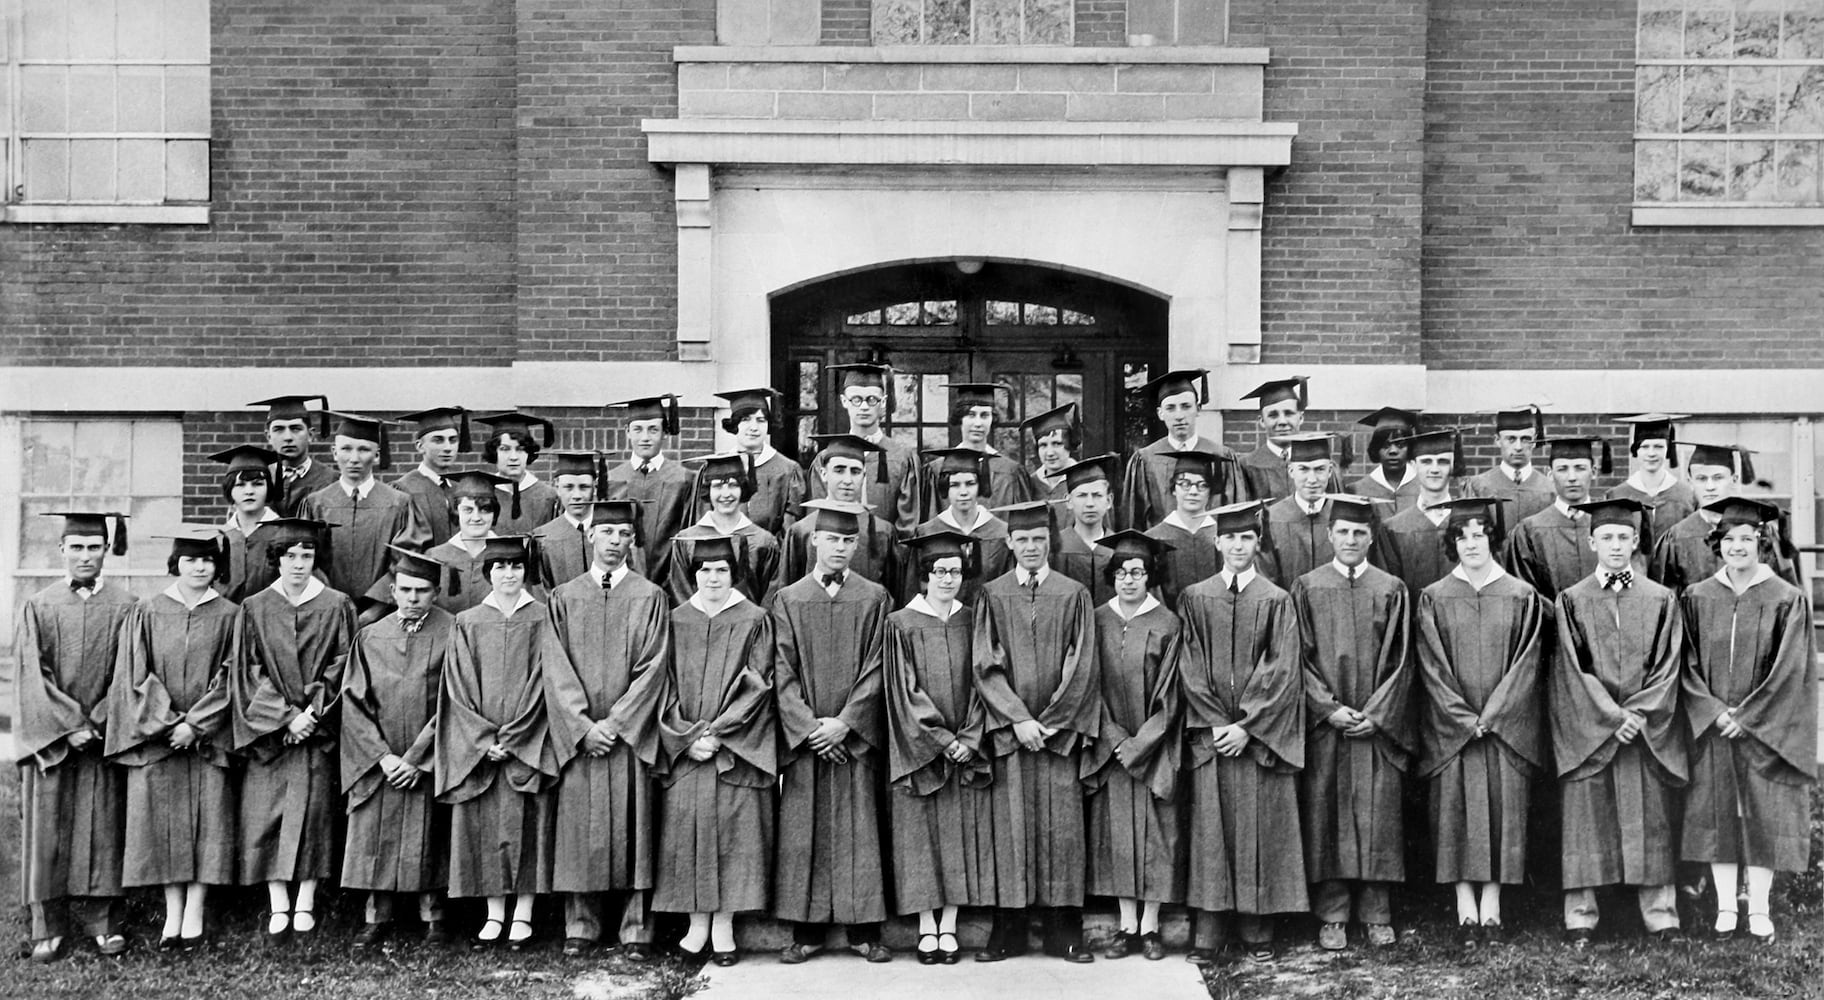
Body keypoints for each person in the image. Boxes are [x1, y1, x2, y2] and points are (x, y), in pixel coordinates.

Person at [1678, 497, 1817, 944]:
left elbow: (1792, 668)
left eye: (1747, 539)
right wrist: (1715, 712)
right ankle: (1723, 907)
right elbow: (1686, 664)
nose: (1738, 547)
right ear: (1717, 544)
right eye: (1729, 539)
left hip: (1764, 730)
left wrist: (1750, 716)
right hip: (1714, 726)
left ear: (1762, 542)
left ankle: (1757, 907)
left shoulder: (1786, 598)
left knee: (1763, 814)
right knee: (1718, 814)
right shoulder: (1698, 597)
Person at [1548, 498, 1685, 947]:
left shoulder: (1660, 599)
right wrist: (1611, 718)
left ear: (1636, 541)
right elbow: (1571, 669)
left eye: (1624, 537)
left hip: (1646, 731)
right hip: (1591, 729)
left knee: (1651, 817)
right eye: (1606, 537)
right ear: (1592, 542)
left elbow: (1668, 667)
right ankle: (1581, 916)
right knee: (1586, 816)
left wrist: (1638, 715)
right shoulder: (1571, 600)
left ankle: (1661, 914)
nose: (1615, 545)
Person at [1176, 500, 1307, 965]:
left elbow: (1283, 670)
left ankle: (1256, 929)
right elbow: (1188, 667)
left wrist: (1247, 727)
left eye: (1246, 537)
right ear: (1217, 542)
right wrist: (1216, 724)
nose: (1237, 544)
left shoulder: (1276, 599)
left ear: (1258, 543)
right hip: (1212, 738)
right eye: (1230, 537)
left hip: (1256, 740)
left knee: (1260, 831)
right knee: (1211, 831)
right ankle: (1208, 932)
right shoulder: (1195, 597)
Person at [972, 501, 1101, 964]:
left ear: (1051, 543)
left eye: (1039, 540)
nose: (1030, 547)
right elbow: (985, 664)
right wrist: (1018, 719)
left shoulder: (1074, 593)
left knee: (1063, 832)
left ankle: (1065, 933)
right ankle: (1007, 932)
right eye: (1022, 539)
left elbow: (1082, 663)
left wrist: (1052, 720)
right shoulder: (992, 593)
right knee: (1011, 831)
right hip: (1012, 734)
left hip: (1059, 734)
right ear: (1009, 542)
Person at [543, 499, 671, 960]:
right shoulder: (563, 597)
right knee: (580, 826)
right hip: (582, 739)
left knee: (635, 824)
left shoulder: (650, 596)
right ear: (591, 536)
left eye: (623, 535)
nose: (615, 543)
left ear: (633, 540)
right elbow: (555, 668)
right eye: (607, 534)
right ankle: (581, 923)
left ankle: (636, 926)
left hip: (627, 736)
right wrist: (581, 727)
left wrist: (616, 723)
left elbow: (653, 667)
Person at [1414, 498, 1546, 942]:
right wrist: (1462, 717)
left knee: (1501, 811)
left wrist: (1493, 715)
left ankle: (1492, 902)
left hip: (1504, 729)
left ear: (1493, 537)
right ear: (1452, 543)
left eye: (1479, 533)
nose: (1472, 542)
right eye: (1461, 535)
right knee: (1454, 813)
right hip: (1454, 731)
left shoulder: (1521, 595)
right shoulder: (1433, 597)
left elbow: (1526, 664)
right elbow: (1431, 666)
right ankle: (1463, 904)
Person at [770, 500, 896, 964]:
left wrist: (846, 723)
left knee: (860, 830)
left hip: (853, 741)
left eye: (848, 540)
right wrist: (808, 729)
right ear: (813, 541)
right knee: (805, 833)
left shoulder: (876, 597)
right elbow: (780, 671)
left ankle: (865, 931)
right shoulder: (789, 598)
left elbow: (880, 667)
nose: (840, 547)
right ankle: (807, 932)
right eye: (832, 539)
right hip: (807, 744)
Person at [1293, 496, 1415, 952]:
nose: (1350, 539)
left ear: (1371, 537)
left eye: (1359, 533)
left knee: (1378, 815)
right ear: (1329, 536)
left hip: (1375, 727)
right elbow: (1297, 658)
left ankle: (1377, 912)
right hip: (1329, 726)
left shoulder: (1392, 588)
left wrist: (1379, 714)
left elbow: (1404, 661)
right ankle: (1333, 914)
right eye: (1342, 531)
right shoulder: (1306, 587)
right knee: (1328, 814)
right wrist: (1327, 708)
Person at [106, 527, 237, 950]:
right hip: (158, 740)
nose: (199, 567)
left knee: (207, 824)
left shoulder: (232, 615)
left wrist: (195, 724)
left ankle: (195, 912)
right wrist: (167, 723)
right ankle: (171, 913)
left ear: (217, 567)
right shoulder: (146, 611)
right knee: (162, 825)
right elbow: (134, 674)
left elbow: (234, 676)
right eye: (190, 560)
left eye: (207, 561)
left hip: (207, 740)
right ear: (175, 564)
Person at [229, 517, 358, 942]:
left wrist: (311, 713)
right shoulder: (254, 607)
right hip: (271, 734)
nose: (299, 564)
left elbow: (344, 666)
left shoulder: (337, 605)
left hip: (316, 732)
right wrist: (285, 716)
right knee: (267, 816)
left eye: (306, 555)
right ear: (275, 560)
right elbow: (247, 671)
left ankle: (305, 901)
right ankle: (277, 904)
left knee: (314, 818)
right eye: (290, 556)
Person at [16, 512, 136, 962]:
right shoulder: (39, 604)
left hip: (104, 737)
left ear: (107, 550)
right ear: (61, 550)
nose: (86, 556)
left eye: (94, 547)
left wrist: (102, 720)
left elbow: (131, 672)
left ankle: (105, 922)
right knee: (48, 831)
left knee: (103, 825)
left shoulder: (128, 605)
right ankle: (46, 924)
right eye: (77, 547)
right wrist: (72, 724)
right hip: (53, 739)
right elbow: (32, 677)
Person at [653, 535, 778, 968]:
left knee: (733, 834)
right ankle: (695, 926)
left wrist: (720, 733)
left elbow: (759, 681)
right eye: (704, 570)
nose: (712, 577)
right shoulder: (674, 620)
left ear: (734, 574)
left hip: (734, 749)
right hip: (687, 748)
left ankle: (723, 925)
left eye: (721, 570)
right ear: (694, 575)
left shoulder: (755, 619)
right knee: (686, 834)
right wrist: (687, 737)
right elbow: (660, 684)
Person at [436, 535, 562, 950]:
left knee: (528, 824)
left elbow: (548, 681)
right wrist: (484, 738)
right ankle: (493, 913)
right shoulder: (468, 621)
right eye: (500, 567)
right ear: (488, 573)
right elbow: (458, 686)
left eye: (516, 567)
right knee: (487, 827)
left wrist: (515, 737)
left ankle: (523, 914)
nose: (509, 574)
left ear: (527, 572)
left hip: (529, 741)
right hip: (483, 746)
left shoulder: (544, 617)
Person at [883, 530, 993, 966]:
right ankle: (926, 926)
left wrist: (970, 737)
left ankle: (949, 925)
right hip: (921, 750)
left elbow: (987, 683)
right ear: (924, 577)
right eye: (939, 571)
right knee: (920, 836)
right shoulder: (900, 624)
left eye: (955, 571)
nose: (948, 578)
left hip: (967, 747)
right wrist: (943, 739)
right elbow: (903, 692)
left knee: (958, 836)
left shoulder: (975, 620)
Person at [341, 546, 459, 950]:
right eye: (405, 589)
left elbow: (455, 700)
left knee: (430, 832)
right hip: (382, 758)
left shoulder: (454, 632)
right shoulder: (372, 635)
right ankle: (377, 917)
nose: (412, 598)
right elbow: (354, 702)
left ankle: (434, 917)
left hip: (428, 755)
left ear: (436, 592)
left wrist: (417, 758)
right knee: (378, 831)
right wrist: (383, 756)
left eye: (422, 590)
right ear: (392, 590)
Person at [1083, 531, 1185, 961]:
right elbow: (1087, 685)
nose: (1129, 580)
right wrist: (1113, 738)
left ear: (1150, 575)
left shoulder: (1167, 623)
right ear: (1111, 576)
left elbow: (1172, 694)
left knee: (1156, 837)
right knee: (1117, 838)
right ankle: (1127, 925)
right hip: (1111, 749)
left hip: (1152, 749)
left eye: (1138, 572)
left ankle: (1151, 926)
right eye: (1121, 572)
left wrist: (1140, 743)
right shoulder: (1095, 619)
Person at [296, 412, 430, 618]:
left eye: (364, 450)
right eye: (346, 449)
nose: (354, 459)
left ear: (376, 455)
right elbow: (306, 561)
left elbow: (406, 562)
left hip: (384, 615)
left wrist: (374, 611)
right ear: (334, 452)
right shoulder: (316, 503)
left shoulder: (400, 503)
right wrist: (332, 605)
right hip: (325, 614)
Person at [1649, 443, 1803, 591]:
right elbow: (1665, 603)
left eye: (1718, 478)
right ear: (1690, 482)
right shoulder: (1676, 537)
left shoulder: (1763, 531)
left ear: (1734, 480)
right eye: (1701, 479)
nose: (1710, 487)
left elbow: (1788, 596)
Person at [774, 434, 901, 599]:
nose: (847, 480)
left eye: (855, 472)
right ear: (824, 474)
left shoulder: (883, 532)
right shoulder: (801, 531)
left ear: (864, 476)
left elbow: (894, 596)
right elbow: (786, 596)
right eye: (839, 470)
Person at [1507, 436, 1623, 604]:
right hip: (1550, 627)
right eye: (1562, 469)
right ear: (1550, 474)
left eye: (1580, 468)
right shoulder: (1530, 530)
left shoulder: (1613, 526)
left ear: (1594, 472)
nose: (1572, 477)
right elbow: (1526, 594)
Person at [1119, 368, 1239, 530]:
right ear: (1160, 413)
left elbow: (1235, 514)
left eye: (1185, 406)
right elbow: (1133, 519)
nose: (1179, 415)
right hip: (1160, 549)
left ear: (1198, 409)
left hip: (1211, 549)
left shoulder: (1222, 456)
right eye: (1170, 408)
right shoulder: (1145, 460)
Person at [1260, 433, 1380, 588]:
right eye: (1303, 469)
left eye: (1319, 469)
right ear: (1291, 471)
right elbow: (1266, 580)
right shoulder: (1271, 518)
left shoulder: (1349, 516)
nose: (1312, 479)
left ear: (1330, 471)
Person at [812, 363, 920, 534]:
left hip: (886, 555)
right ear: (844, 401)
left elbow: (909, 523)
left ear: (883, 401)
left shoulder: (902, 457)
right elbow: (816, 517)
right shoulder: (825, 459)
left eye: (871, 399)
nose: (863, 407)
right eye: (856, 399)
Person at [690, 387, 805, 537]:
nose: (754, 427)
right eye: (746, 420)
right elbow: (702, 525)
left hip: (770, 556)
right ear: (734, 424)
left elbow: (790, 534)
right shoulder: (714, 468)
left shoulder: (787, 470)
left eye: (761, 420)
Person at [667, 454, 781, 604]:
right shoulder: (687, 540)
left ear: (743, 489)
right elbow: (680, 594)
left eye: (733, 485)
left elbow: (769, 598)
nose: (726, 494)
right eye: (718, 486)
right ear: (707, 490)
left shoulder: (763, 541)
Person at [606, 395, 694, 586]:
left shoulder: (684, 480)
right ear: (627, 432)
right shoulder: (611, 480)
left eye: (653, 430)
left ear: (665, 433)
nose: (645, 438)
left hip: (673, 585)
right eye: (637, 429)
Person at [919, 383, 1038, 517]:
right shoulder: (935, 470)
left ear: (993, 419)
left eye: (984, 415)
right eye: (971, 415)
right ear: (960, 418)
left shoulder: (1011, 472)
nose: (978, 423)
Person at [909, 447, 1009, 606]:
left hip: (991, 621)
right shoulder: (927, 532)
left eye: (970, 483)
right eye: (955, 485)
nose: (963, 492)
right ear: (944, 488)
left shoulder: (1000, 532)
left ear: (980, 486)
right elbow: (914, 590)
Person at [408, 470, 516, 615]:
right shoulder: (435, 556)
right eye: (468, 510)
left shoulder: (511, 556)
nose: (476, 517)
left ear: (494, 514)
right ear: (456, 512)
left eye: (485, 510)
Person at [1375, 428, 1465, 602]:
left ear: (1453, 465)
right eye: (1426, 462)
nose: (1434, 469)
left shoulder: (1469, 524)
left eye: (1443, 462)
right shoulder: (1393, 528)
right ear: (1413, 466)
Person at [1143, 451, 1228, 610]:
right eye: (1185, 484)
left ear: (1210, 492)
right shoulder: (1153, 538)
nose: (1193, 491)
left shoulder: (1222, 536)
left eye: (1202, 485)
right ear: (1174, 489)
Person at [1608, 413, 1698, 545]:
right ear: (1636, 451)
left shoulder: (1686, 495)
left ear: (1668, 449)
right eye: (1645, 447)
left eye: (1658, 446)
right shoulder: (1617, 495)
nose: (1651, 453)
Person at [210, 444, 285, 601]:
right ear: (229, 490)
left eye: (258, 484)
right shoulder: (218, 538)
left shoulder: (284, 533)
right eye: (240, 485)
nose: (249, 491)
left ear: (269, 488)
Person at [393, 406, 472, 546]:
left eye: (453, 440)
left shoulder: (459, 488)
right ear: (419, 446)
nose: (448, 447)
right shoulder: (404, 489)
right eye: (438, 440)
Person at [1463, 405, 1555, 524]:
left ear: (1535, 441)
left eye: (1525, 439)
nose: (1518, 447)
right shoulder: (1477, 486)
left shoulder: (1550, 490)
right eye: (1511, 439)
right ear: (1497, 440)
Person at [1050, 454, 1121, 606]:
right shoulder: (1054, 548)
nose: (1090, 503)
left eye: (1097, 495)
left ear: (1109, 501)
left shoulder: (1119, 549)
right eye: (1082, 495)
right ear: (1068, 501)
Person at [477, 411, 563, 536]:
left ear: (529, 453)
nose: (513, 457)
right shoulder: (482, 494)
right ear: (494, 452)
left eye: (520, 449)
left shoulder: (548, 496)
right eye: (505, 449)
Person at [1235, 376, 1318, 503]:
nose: (1282, 422)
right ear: (1262, 421)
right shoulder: (1246, 466)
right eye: (1273, 415)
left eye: (1289, 413)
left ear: (1300, 418)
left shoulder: (1319, 463)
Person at [249, 395, 336, 516]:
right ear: (268, 436)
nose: (288, 437)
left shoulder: (331, 480)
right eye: (279, 429)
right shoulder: (256, 479)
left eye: (295, 429)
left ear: (310, 435)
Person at [535, 451, 606, 588]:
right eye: (568, 487)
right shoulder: (542, 538)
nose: (576, 495)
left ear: (595, 487)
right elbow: (541, 594)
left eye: (584, 487)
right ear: (557, 487)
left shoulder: (613, 532)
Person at [1349, 407, 1422, 512]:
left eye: (1400, 444)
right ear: (1376, 449)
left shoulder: (1425, 488)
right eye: (1385, 445)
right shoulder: (1357, 490)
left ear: (1410, 448)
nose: (1393, 451)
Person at [1023, 402, 1081, 500]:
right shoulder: (1030, 484)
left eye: (1057, 444)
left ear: (1070, 444)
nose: (1050, 453)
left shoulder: (1085, 480)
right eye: (1043, 445)